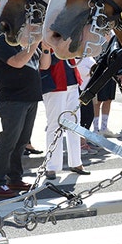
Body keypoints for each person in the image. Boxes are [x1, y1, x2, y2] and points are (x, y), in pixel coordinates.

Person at [0, 31, 51, 197]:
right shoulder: (2, 42)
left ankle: (14, 178)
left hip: (30, 98)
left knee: (22, 142)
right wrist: (35, 43)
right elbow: (17, 62)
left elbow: (44, 65)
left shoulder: (29, 43)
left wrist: (45, 48)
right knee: (8, 140)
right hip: (12, 99)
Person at [41, 50, 89, 179]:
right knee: (54, 125)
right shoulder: (45, 37)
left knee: (74, 124)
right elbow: (43, 62)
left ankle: (76, 162)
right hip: (54, 84)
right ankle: (51, 166)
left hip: (71, 82)